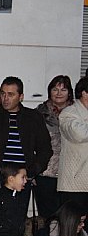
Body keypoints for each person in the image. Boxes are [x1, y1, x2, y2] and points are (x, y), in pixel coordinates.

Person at [0, 76, 52, 203]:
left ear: (21, 97)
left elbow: (45, 149)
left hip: (22, 176)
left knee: (17, 217)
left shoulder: (33, 117)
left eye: (10, 94)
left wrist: (31, 171)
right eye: (3, 94)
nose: (5, 99)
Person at [34, 75, 74, 218]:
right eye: (55, 89)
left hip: (72, 172)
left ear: (69, 92)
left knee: (70, 216)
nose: (58, 93)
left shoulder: (78, 112)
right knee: (49, 217)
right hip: (47, 171)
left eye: (63, 90)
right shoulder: (39, 113)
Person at [58, 76, 88, 210]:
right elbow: (79, 134)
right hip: (75, 184)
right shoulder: (69, 113)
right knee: (73, 226)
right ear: (84, 93)